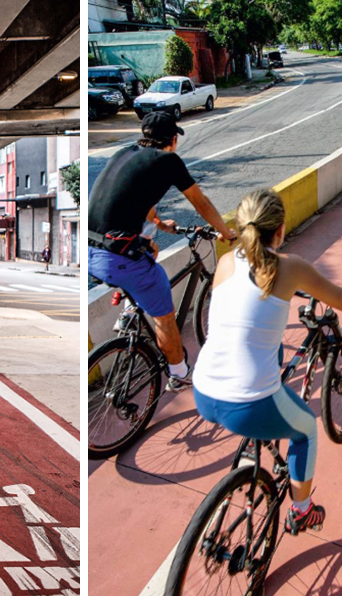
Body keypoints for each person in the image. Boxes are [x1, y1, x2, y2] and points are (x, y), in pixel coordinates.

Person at [192, 189, 342, 536]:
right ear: (279, 229)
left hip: (203, 391)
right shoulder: (289, 267)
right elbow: (340, 298)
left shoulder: (226, 262)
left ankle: (257, 443)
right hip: (247, 403)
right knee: (307, 428)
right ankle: (302, 509)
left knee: (271, 349)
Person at [89, 112, 237, 391]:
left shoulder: (124, 152)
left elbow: (133, 198)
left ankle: (131, 307)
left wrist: (158, 223)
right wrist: (226, 232)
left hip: (89, 250)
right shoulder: (168, 160)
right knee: (164, 314)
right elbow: (201, 203)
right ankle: (179, 373)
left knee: (151, 248)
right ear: (172, 139)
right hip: (117, 258)